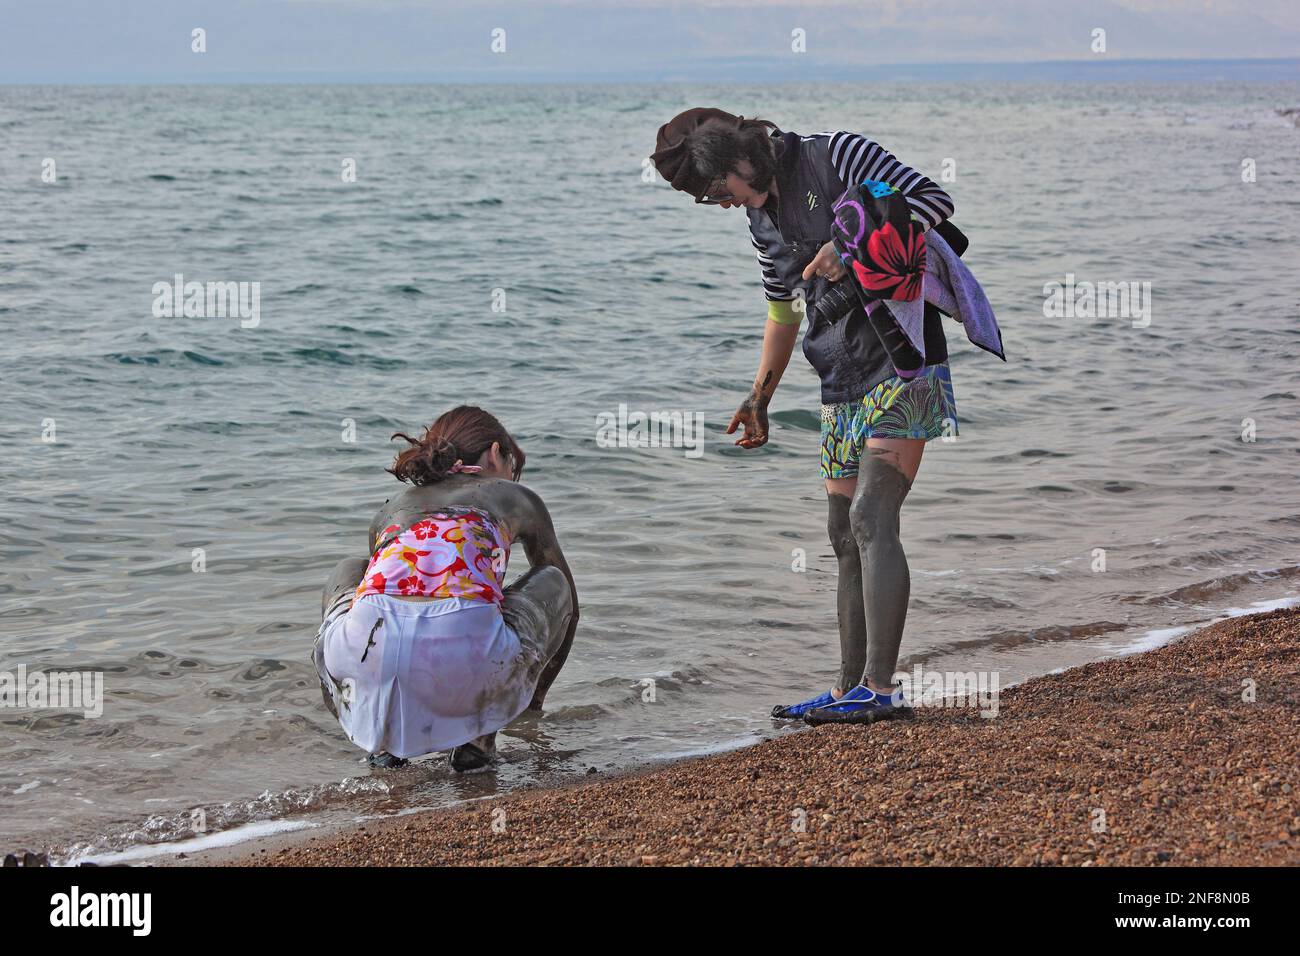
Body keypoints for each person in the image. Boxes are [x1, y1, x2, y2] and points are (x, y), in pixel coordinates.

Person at [651, 108, 960, 725]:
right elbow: (784, 312)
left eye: (716, 191)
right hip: (838, 377)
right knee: (843, 533)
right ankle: (848, 687)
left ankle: (880, 691)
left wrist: (849, 246)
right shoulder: (760, 221)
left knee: (875, 518)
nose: (718, 205)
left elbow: (933, 201)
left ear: (737, 161)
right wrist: (759, 395)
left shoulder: (835, 153)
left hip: (904, 359)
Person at [312, 406, 578, 771]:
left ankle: (381, 739)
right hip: (465, 655)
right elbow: (569, 609)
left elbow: (400, 605)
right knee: (554, 581)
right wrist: (527, 699)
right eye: (511, 466)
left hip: (364, 653)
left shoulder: (391, 510)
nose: (510, 477)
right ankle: (478, 741)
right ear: (495, 453)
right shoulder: (515, 497)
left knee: (351, 571)